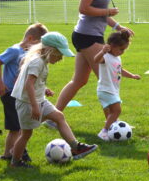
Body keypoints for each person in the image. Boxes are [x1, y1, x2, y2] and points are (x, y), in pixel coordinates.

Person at [52, 0, 134, 128]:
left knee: (79, 80)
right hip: (87, 36)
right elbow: (84, 8)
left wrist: (118, 26)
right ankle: (112, 126)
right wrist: (107, 11)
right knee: (106, 80)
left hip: (88, 35)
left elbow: (102, 15)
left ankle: (53, 117)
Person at [10, 32, 98, 168]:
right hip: (28, 103)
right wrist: (34, 106)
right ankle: (15, 162)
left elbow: (34, 81)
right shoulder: (37, 62)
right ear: (50, 50)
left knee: (58, 116)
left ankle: (76, 148)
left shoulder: (41, 60)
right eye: (60, 54)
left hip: (39, 99)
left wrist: (44, 89)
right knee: (26, 134)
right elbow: (28, 84)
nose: (60, 58)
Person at [0, 23, 48, 161]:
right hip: (10, 93)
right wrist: (0, 83)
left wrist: (44, 89)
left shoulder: (28, 54)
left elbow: (28, 77)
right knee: (16, 127)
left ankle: (7, 154)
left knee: (16, 127)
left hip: (19, 95)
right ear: (30, 38)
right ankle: (17, 154)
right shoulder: (14, 50)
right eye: (38, 44)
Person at [94, 30, 141, 141]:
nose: (122, 52)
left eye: (124, 49)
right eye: (121, 49)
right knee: (117, 111)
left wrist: (132, 76)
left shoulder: (117, 58)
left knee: (111, 113)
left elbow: (120, 70)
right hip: (106, 89)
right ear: (111, 46)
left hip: (112, 90)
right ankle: (104, 131)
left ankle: (116, 127)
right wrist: (102, 52)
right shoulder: (106, 57)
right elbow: (95, 60)